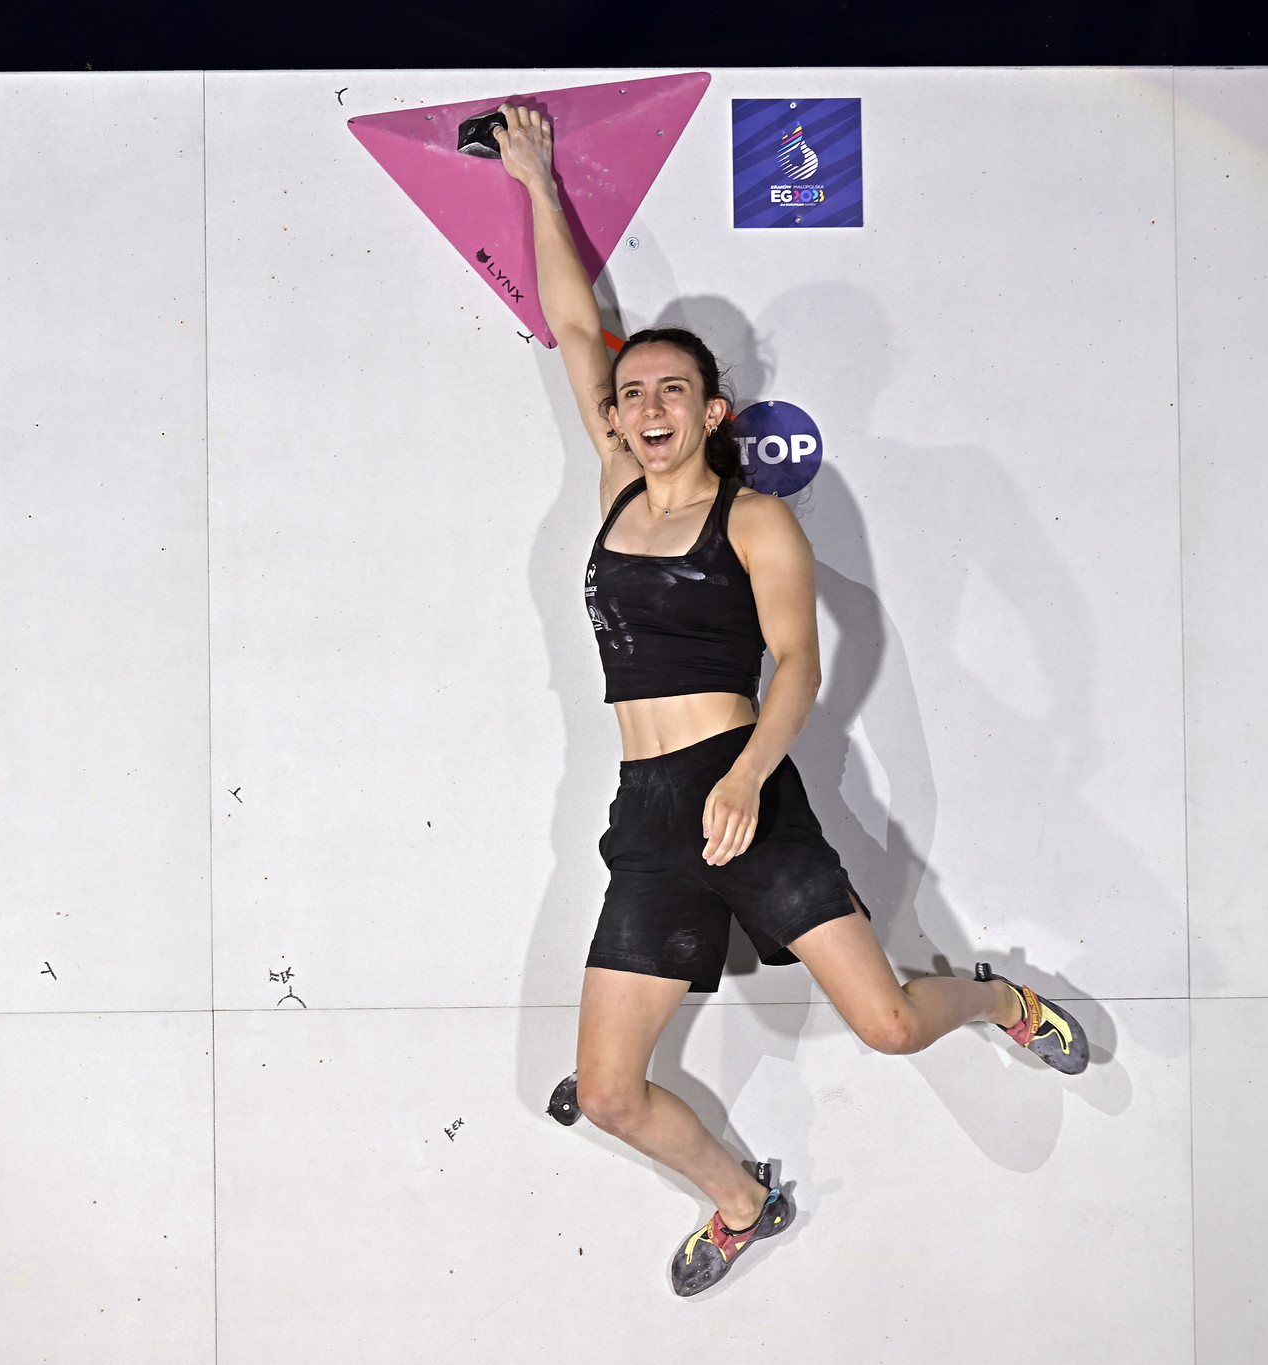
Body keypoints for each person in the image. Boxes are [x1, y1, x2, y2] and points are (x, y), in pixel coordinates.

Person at [493, 104, 1089, 1299]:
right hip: (648, 814)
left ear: (712, 413)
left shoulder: (753, 519)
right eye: (628, 392)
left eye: (670, 388)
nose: (643, 404)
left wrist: (747, 775)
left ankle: (991, 992)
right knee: (608, 1092)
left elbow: (801, 668)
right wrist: (533, 177)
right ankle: (741, 1197)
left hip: (744, 786)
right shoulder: (614, 491)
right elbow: (569, 322)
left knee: (884, 1024)